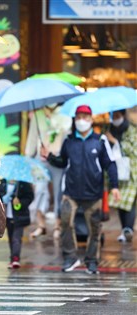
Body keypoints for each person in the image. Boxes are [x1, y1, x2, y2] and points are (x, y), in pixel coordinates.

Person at [41, 105, 121, 275]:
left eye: (85, 117)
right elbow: (62, 162)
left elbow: (110, 164)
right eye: (78, 117)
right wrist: (49, 156)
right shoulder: (69, 140)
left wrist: (115, 186)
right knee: (65, 224)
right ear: (74, 119)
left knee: (95, 229)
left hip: (93, 194)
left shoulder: (100, 141)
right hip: (70, 193)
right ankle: (70, 258)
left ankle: (91, 261)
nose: (81, 120)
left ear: (91, 119)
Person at [25, 104, 71, 240]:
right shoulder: (38, 114)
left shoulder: (65, 113)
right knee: (39, 190)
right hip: (41, 159)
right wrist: (28, 157)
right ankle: (41, 224)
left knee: (58, 192)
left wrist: (53, 122)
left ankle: (58, 224)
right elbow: (33, 136)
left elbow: (66, 135)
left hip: (57, 158)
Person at [106, 109, 136, 243]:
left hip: (131, 172)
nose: (115, 118)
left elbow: (133, 149)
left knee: (129, 202)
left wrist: (115, 141)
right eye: (113, 116)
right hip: (115, 171)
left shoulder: (132, 130)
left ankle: (128, 229)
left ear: (123, 116)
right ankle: (125, 229)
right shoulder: (107, 129)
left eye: (117, 116)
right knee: (119, 201)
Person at [0, 178, 34, 269]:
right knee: (10, 238)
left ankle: (15, 259)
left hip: (19, 217)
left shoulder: (23, 184)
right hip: (6, 217)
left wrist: (20, 202)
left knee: (16, 238)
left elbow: (30, 197)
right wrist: (4, 199)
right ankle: (12, 258)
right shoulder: (2, 183)